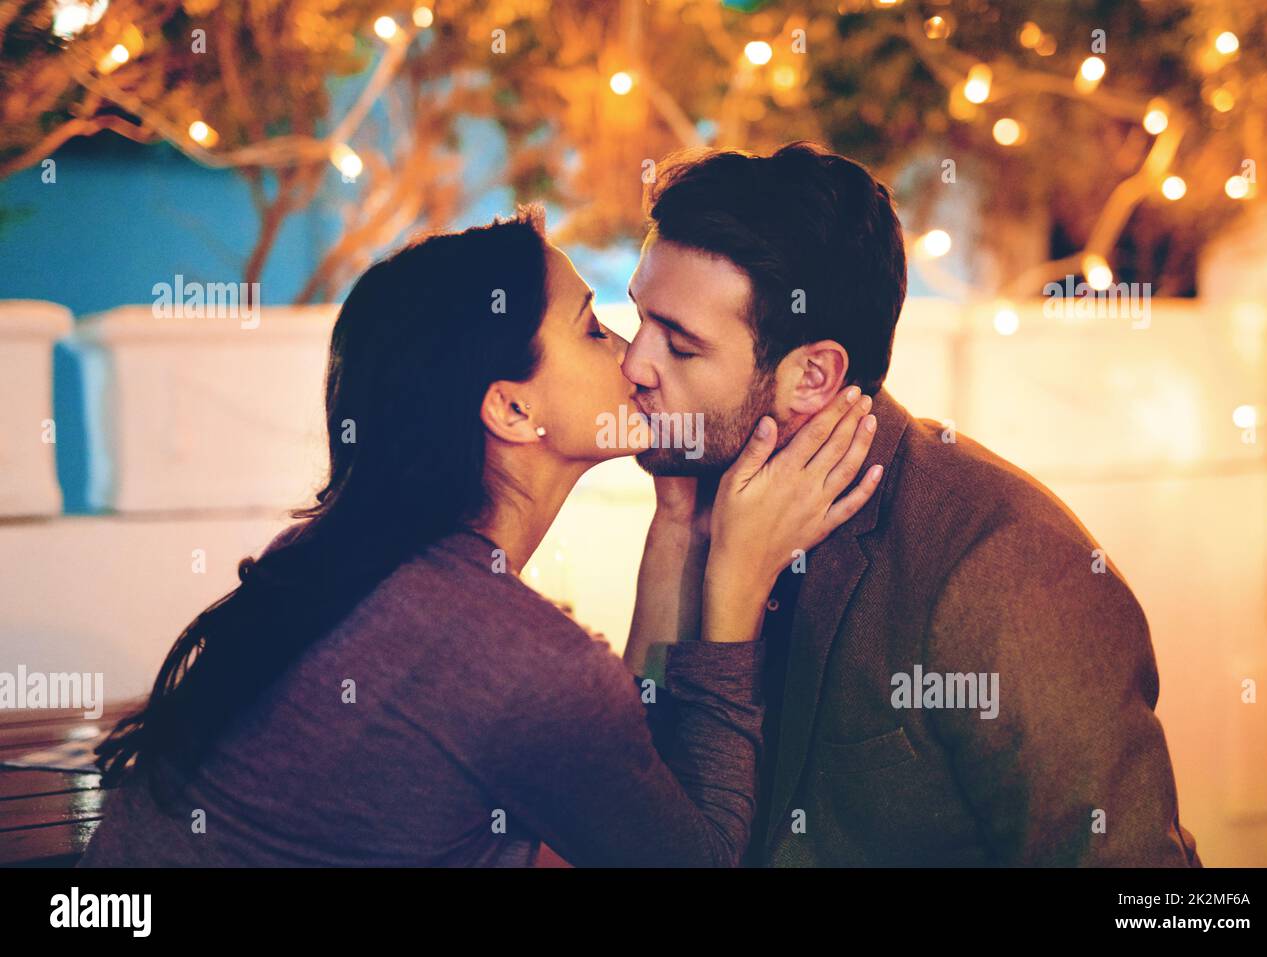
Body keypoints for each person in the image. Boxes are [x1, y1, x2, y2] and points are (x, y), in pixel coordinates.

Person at [78, 206, 883, 867]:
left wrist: (675, 526)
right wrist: (737, 588)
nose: (636, 361)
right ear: (511, 410)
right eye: (594, 329)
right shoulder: (518, 659)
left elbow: (607, 780)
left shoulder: (334, 559)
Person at [621, 141, 1202, 867]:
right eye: (639, 317)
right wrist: (674, 532)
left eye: (678, 344)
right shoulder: (705, 501)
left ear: (812, 377)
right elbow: (635, 818)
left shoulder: (1003, 567)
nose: (633, 363)